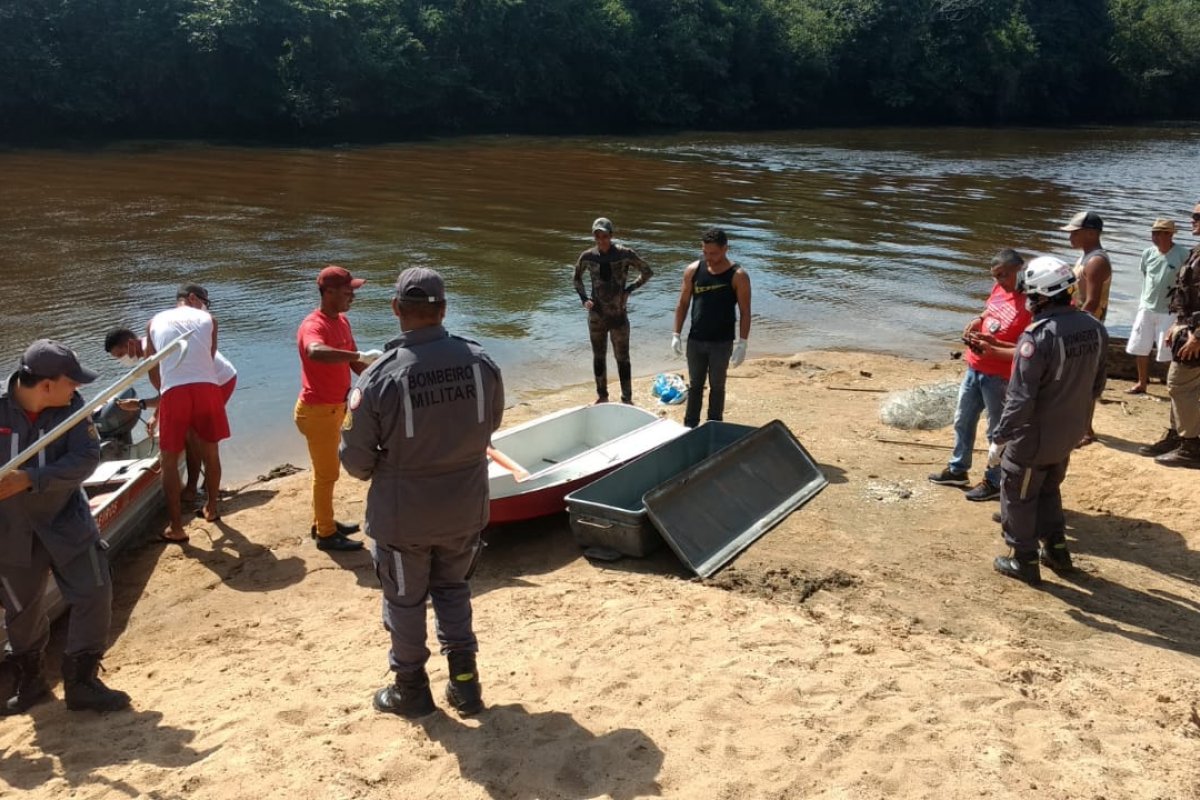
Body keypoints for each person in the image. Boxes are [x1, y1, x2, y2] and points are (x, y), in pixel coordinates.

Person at [340, 267, 504, 719]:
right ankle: (465, 685)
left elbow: (355, 461)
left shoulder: (378, 378)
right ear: (443, 310)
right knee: (454, 588)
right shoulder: (480, 362)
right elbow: (490, 425)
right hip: (465, 505)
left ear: (396, 310)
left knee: (405, 600)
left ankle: (411, 689)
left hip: (403, 515)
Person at [0, 340, 131, 714]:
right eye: (71, 382)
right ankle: (31, 683)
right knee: (21, 612)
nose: (77, 390)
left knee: (94, 592)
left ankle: (82, 682)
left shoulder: (73, 411)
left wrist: (32, 479)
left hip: (66, 523)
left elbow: (86, 459)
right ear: (45, 386)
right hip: (12, 534)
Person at [988, 257, 1107, 586]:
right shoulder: (1094, 327)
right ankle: (1056, 550)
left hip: (1033, 436)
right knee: (1048, 489)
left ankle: (1023, 560)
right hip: (1069, 431)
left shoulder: (1037, 337)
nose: (1027, 300)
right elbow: (1096, 385)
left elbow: (1021, 398)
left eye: (1030, 295)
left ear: (1041, 296)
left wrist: (1000, 438)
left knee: (1018, 493)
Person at [928, 249, 1031, 501]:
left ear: (1020, 270)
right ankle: (958, 469)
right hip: (975, 367)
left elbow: (1029, 347)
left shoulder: (1032, 301)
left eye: (1003, 275)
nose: (999, 281)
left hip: (1001, 376)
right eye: (995, 276)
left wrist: (994, 347)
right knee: (963, 419)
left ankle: (994, 481)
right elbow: (990, 311)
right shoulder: (998, 290)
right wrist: (978, 320)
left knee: (997, 432)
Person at [295, 265, 382, 552]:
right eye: (348, 292)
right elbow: (314, 351)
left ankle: (322, 520)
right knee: (327, 474)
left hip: (335, 409)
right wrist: (358, 354)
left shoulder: (342, 322)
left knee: (325, 472)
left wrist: (375, 378)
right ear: (329, 292)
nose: (352, 296)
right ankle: (326, 534)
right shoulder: (313, 325)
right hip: (317, 412)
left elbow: (354, 364)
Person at [104, 326, 238, 502]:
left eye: (121, 354)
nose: (122, 360)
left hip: (219, 380)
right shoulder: (150, 348)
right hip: (199, 381)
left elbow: (169, 395)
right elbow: (168, 390)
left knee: (197, 437)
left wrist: (140, 404)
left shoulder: (154, 356)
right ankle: (199, 488)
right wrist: (156, 416)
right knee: (191, 435)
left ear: (130, 343)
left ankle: (198, 489)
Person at [145, 284, 231, 541]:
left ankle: (176, 527)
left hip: (174, 390)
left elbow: (151, 365)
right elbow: (210, 356)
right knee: (211, 451)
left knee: (169, 460)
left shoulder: (153, 321)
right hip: (207, 387)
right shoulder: (210, 319)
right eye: (204, 301)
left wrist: (162, 393)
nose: (206, 307)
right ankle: (212, 508)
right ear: (192, 299)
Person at [671, 228, 752, 428]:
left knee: (717, 386)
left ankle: (715, 425)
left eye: (713, 253)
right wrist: (676, 334)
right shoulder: (693, 270)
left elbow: (745, 311)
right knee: (695, 386)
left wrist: (742, 343)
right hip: (696, 340)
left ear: (725, 249)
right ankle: (690, 427)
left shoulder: (738, 275)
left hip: (721, 342)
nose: (709, 257)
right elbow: (682, 304)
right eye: (705, 252)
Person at [572, 217, 653, 404]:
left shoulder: (624, 254)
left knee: (622, 358)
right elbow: (576, 279)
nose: (601, 240)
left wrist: (629, 290)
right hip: (596, 317)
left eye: (605, 236)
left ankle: (627, 398)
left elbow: (647, 271)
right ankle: (602, 396)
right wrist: (584, 299)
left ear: (611, 235)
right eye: (597, 236)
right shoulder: (588, 257)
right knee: (598, 357)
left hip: (618, 316)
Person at [1149, 201, 1200, 468]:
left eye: (1197, 216)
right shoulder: (1196, 251)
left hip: (1196, 335)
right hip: (1187, 328)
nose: (1192, 220)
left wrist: (1197, 335)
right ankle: (1178, 436)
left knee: (1178, 384)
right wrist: (1177, 323)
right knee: (1185, 387)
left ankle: (1191, 447)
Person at [1061, 211, 1111, 447]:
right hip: (1080, 323)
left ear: (1091, 233)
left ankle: (1086, 430)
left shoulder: (1096, 261)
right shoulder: (1086, 257)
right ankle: (1080, 425)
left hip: (1088, 327)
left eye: (1075, 232)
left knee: (1086, 378)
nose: (1070, 236)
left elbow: (1091, 301)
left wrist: (1074, 328)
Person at [1125, 219, 1188, 394]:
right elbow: (1146, 274)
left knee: (1168, 350)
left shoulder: (1183, 254)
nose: (1154, 237)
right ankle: (1141, 382)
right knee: (1140, 346)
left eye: (1158, 233)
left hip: (1170, 309)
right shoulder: (1147, 253)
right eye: (1153, 233)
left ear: (1170, 234)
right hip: (1146, 306)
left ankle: (1172, 386)